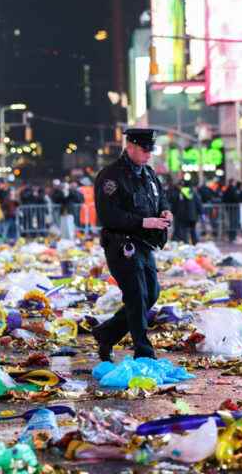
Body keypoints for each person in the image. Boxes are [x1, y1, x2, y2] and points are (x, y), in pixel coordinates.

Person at [92, 128, 172, 361]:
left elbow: (160, 197)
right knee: (137, 295)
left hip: (145, 243)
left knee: (152, 293)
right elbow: (108, 215)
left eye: (150, 150)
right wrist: (143, 221)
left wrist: (165, 211)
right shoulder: (111, 176)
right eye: (144, 150)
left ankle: (106, 334)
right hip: (121, 245)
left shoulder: (148, 174)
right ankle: (143, 352)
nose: (148, 154)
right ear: (130, 147)